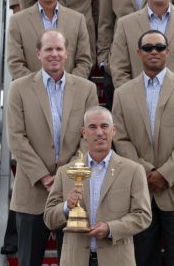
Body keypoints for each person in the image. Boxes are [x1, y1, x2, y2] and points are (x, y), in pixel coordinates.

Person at [6, 29, 99, 266]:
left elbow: (90, 136)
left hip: (73, 191)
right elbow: (16, 138)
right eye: (48, 49)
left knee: (73, 262)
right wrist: (44, 177)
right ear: (38, 53)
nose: (54, 54)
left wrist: (64, 179)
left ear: (67, 53)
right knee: (28, 261)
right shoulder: (19, 88)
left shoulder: (86, 89)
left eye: (59, 49)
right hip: (32, 190)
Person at [112, 30, 174, 266]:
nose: (155, 52)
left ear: (168, 51)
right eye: (149, 48)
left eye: (160, 47)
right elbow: (120, 139)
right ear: (139, 53)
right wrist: (145, 172)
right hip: (138, 195)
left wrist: (164, 174)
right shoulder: (122, 94)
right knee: (141, 260)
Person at [44, 106, 152, 266]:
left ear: (113, 130)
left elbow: (143, 215)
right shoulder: (65, 172)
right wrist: (67, 206)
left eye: (104, 126)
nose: (99, 132)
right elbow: (49, 218)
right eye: (92, 127)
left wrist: (111, 229)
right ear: (84, 133)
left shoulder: (134, 170)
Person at [7, 0, 92, 80]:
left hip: (69, 93)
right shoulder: (17, 21)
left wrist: (67, 85)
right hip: (32, 93)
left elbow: (84, 61)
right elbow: (15, 63)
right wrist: (39, 86)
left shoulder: (78, 20)